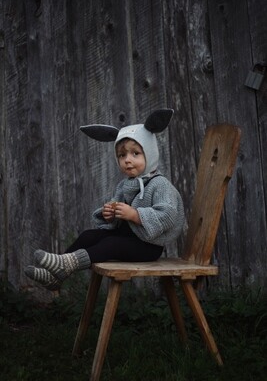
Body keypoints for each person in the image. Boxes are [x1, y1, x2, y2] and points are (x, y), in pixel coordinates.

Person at [25, 109, 185, 291]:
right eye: (122, 155)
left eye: (135, 153)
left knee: (111, 244)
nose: (127, 160)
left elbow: (169, 215)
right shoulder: (125, 185)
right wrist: (110, 214)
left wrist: (134, 214)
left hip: (148, 246)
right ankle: (56, 275)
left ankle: (64, 267)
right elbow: (116, 219)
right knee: (89, 235)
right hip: (126, 239)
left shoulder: (160, 184)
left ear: (150, 153)